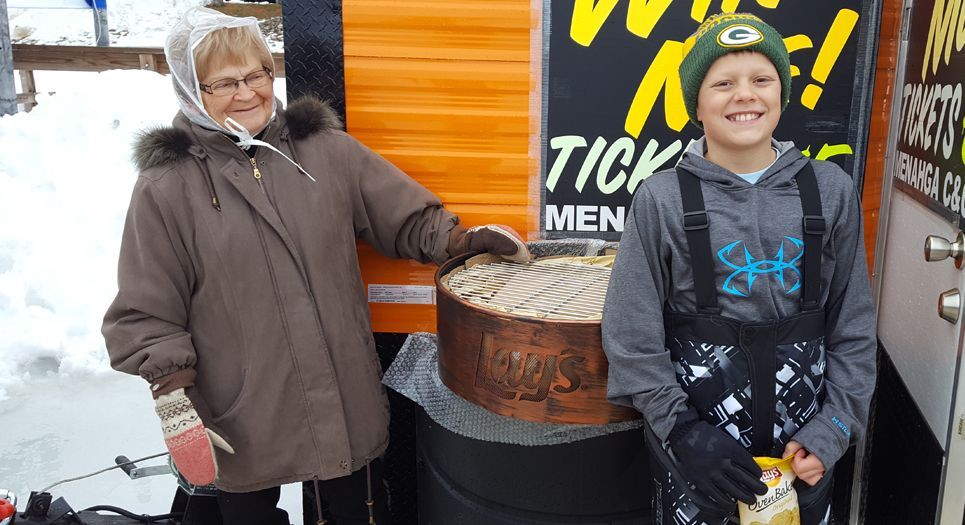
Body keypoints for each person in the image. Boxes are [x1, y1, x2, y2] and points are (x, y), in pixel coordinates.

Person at [101, 7, 528, 525]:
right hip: (239, 402)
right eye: (224, 83)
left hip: (340, 393)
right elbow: (146, 309)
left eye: (256, 73)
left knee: (355, 511)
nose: (247, 93)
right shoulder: (168, 187)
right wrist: (171, 394)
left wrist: (464, 241)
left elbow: (405, 219)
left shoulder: (325, 151)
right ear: (192, 91)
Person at [601, 13, 876, 525]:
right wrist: (679, 428)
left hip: (804, 460)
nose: (744, 95)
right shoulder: (660, 200)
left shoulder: (831, 191)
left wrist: (834, 428)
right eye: (722, 83)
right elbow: (629, 334)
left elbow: (853, 327)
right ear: (696, 106)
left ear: (782, 94)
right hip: (697, 459)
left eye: (761, 79)